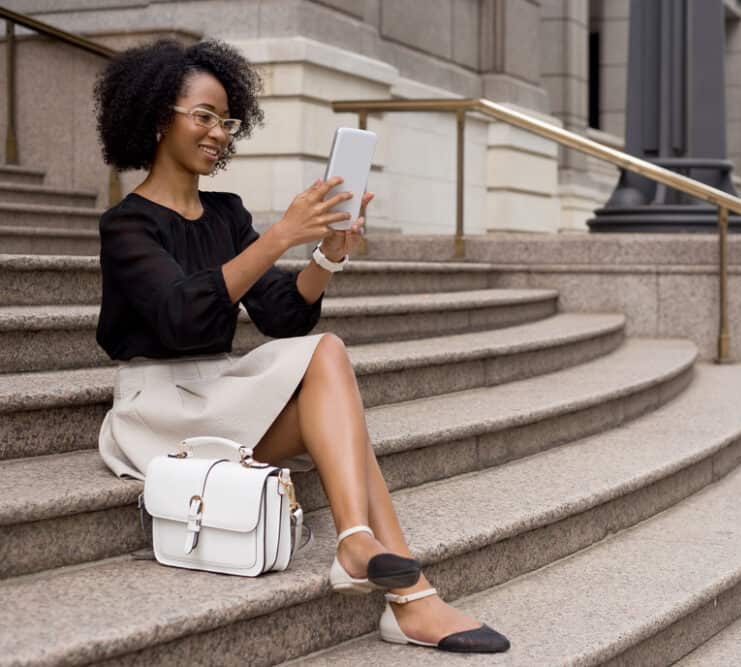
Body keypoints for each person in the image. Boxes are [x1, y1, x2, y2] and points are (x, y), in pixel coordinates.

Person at [93, 39, 509, 653]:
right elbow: (179, 317)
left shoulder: (226, 213)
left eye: (227, 121)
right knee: (341, 408)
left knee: (326, 353)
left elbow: (283, 315)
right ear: (159, 118)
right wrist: (281, 234)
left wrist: (326, 254)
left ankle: (361, 546)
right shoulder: (126, 224)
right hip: (159, 412)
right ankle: (410, 596)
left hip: (222, 396)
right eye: (203, 116)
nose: (218, 133)